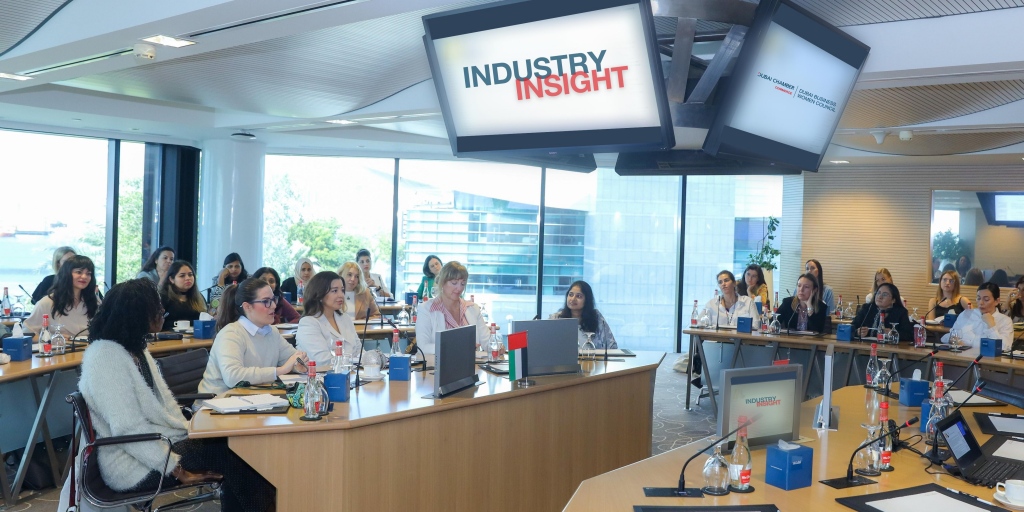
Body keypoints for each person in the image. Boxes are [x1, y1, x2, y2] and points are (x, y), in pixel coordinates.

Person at [79, 278, 273, 510]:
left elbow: (162, 406)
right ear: (136, 314)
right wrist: (176, 469)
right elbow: (128, 429)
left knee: (238, 449)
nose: (163, 313)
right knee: (236, 454)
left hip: (158, 444)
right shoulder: (105, 357)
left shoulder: (135, 348)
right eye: (157, 308)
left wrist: (190, 430)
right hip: (131, 465)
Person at [199, 278, 307, 395]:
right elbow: (233, 377)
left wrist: (298, 365)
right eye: (266, 301)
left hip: (254, 398)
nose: (274, 305)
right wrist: (280, 370)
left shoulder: (271, 331)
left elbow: (292, 358)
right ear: (247, 307)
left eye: (273, 299)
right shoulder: (231, 334)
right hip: (219, 401)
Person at [414, 261, 488, 355]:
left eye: (462, 284)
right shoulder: (426, 309)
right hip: (438, 364)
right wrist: (456, 347)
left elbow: (486, 341)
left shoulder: (473, 308)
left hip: (471, 364)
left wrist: (496, 346)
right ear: (442, 283)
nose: (459, 288)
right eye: (454, 283)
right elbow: (422, 347)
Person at [295, 271, 361, 367]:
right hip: (324, 375)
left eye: (342, 290)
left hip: (351, 373)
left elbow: (360, 351)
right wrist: (352, 362)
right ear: (319, 294)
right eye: (334, 291)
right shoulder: (308, 323)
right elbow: (322, 361)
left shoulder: (345, 318)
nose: (341, 295)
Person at [25, 255, 99, 336]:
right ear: (66, 274)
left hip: (91, 344)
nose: (84, 277)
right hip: (59, 344)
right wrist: (53, 338)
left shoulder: (95, 302)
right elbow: (27, 334)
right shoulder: (47, 302)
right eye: (79, 272)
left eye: (88, 274)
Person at [549, 280, 617, 349]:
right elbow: (546, 344)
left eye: (578, 296)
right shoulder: (556, 318)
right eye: (571, 295)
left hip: (592, 356)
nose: (573, 299)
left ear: (587, 300)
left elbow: (612, 345)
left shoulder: (596, 317)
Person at [942, 282, 1012, 348]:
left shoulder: (1005, 321)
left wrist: (991, 326)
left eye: (986, 299)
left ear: (997, 301)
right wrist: (955, 341)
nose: (981, 303)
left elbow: (1004, 347)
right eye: (978, 298)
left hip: (985, 356)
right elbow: (947, 337)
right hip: (960, 354)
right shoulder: (967, 314)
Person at [159, 260, 207, 331]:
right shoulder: (163, 297)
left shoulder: (199, 297)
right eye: (182, 276)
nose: (188, 278)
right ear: (171, 279)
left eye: (190, 275)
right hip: (169, 336)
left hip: (197, 336)